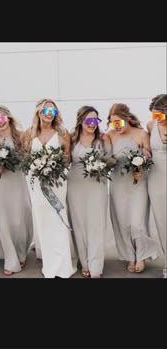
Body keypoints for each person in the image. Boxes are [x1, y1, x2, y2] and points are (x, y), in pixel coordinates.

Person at [23, 99, 77, 278]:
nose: (49, 113)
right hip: (36, 183)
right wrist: (37, 166)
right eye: (46, 110)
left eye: (52, 111)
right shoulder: (29, 134)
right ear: (39, 112)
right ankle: (47, 259)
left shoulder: (62, 133)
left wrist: (58, 161)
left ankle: (62, 265)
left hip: (56, 182)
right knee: (43, 219)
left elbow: (68, 158)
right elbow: (25, 158)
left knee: (57, 217)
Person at [107, 103, 160, 273]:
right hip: (118, 184)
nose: (117, 126)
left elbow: (148, 157)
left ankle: (142, 256)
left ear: (127, 119)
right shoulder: (109, 135)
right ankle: (130, 255)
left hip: (138, 184)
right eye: (113, 122)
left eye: (119, 122)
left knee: (137, 223)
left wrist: (142, 167)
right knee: (123, 223)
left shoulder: (142, 134)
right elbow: (107, 159)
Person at [0, 105, 33, 276]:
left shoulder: (20, 135)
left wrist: (15, 160)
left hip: (17, 181)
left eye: (2, 118)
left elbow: (27, 156)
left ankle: (21, 252)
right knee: (4, 221)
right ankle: (11, 259)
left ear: (8, 118)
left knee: (19, 219)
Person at [67, 106, 112, 278]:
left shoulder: (103, 139)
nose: (93, 124)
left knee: (96, 224)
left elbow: (111, 161)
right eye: (89, 120)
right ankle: (84, 261)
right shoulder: (71, 139)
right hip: (75, 184)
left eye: (95, 120)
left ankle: (95, 265)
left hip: (97, 186)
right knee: (79, 223)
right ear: (80, 121)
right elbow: (65, 160)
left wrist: (101, 165)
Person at [146, 94, 167, 278]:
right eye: (154, 115)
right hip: (156, 179)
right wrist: (144, 152)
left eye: (159, 115)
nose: (156, 119)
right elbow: (147, 147)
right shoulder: (151, 126)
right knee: (162, 221)